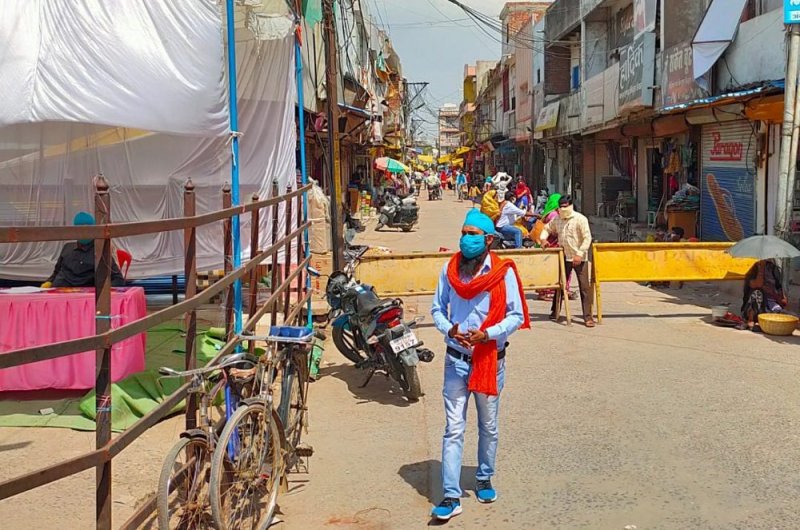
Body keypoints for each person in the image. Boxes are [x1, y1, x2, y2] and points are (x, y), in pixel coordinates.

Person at [430, 209, 530, 521]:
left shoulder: (504, 272)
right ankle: (450, 494)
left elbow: (515, 315)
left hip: (489, 359)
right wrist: (451, 330)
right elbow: (437, 309)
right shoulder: (449, 270)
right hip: (456, 361)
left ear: (488, 239)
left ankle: (484, 476)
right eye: (464, 232)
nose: (466, 238)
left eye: (473, 234)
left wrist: (487, 334)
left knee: (488, 425)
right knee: (454, 429)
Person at [539, 195, 595, 327]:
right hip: (563, 255)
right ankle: (555, 311)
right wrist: (543, 239)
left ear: (570, 205)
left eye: (565, 206)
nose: (563, 209)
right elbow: (547, 228)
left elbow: (587, 238)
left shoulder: (580, 219)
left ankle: (588, 316)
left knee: (584, 287)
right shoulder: (557, 219)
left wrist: (579, 254)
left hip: (579, 258)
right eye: (561, 207)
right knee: (560, 285)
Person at [42, 212, 125, 288]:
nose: (83, 233)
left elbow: (118, 280)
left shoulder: (100, 252)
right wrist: (48, 283)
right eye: (79, 229)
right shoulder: (67, 248)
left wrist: (100, 294)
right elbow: (56, 272)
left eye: (87, 229)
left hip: (84, 299)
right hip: (57, 295)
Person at [740, 259, 789, 331]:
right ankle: (751, 320)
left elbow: (784, 302)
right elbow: (757, 284)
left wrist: (772, 293)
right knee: (757, 293)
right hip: (754, 308)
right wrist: (761, 268)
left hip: (770, 309)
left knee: (785, 314)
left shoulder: (774, 270)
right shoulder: (752, 269)